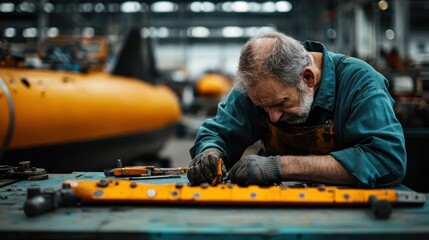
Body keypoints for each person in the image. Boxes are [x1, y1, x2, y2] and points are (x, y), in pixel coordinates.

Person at [187, 31, 406, 188]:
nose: (272, 117)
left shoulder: (360, 83)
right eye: (263, 108)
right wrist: (210, 151)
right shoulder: (259, 86)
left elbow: (386, 160)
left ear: (308, 78)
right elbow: (218, 132)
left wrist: (277, 167)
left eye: (281, 104)